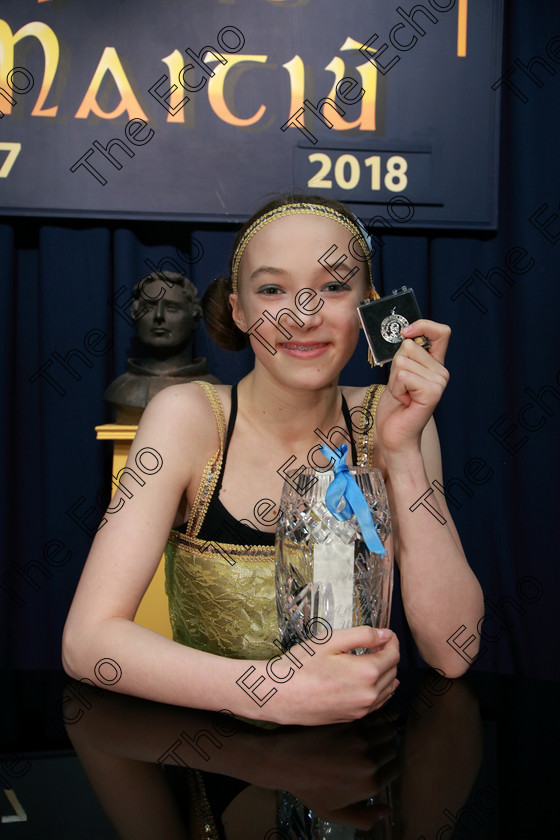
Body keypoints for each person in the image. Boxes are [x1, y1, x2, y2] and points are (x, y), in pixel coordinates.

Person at [62, 194, 483, 727]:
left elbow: (453, 651)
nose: (304, 316)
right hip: (215, 767)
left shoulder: (394, 419)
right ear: (238, 311)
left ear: (368, 305)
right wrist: (275, 693)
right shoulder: (186, 419)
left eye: (332, 286)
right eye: (271, 289)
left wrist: (400, 453)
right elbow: (86, 642)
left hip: (356, 778)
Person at [103, 271, 219, 423]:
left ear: (195, 317)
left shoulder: (213, 392)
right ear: (135, 314)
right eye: (149, 307)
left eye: (172, 308)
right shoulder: (120, 391)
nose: (159, 315)